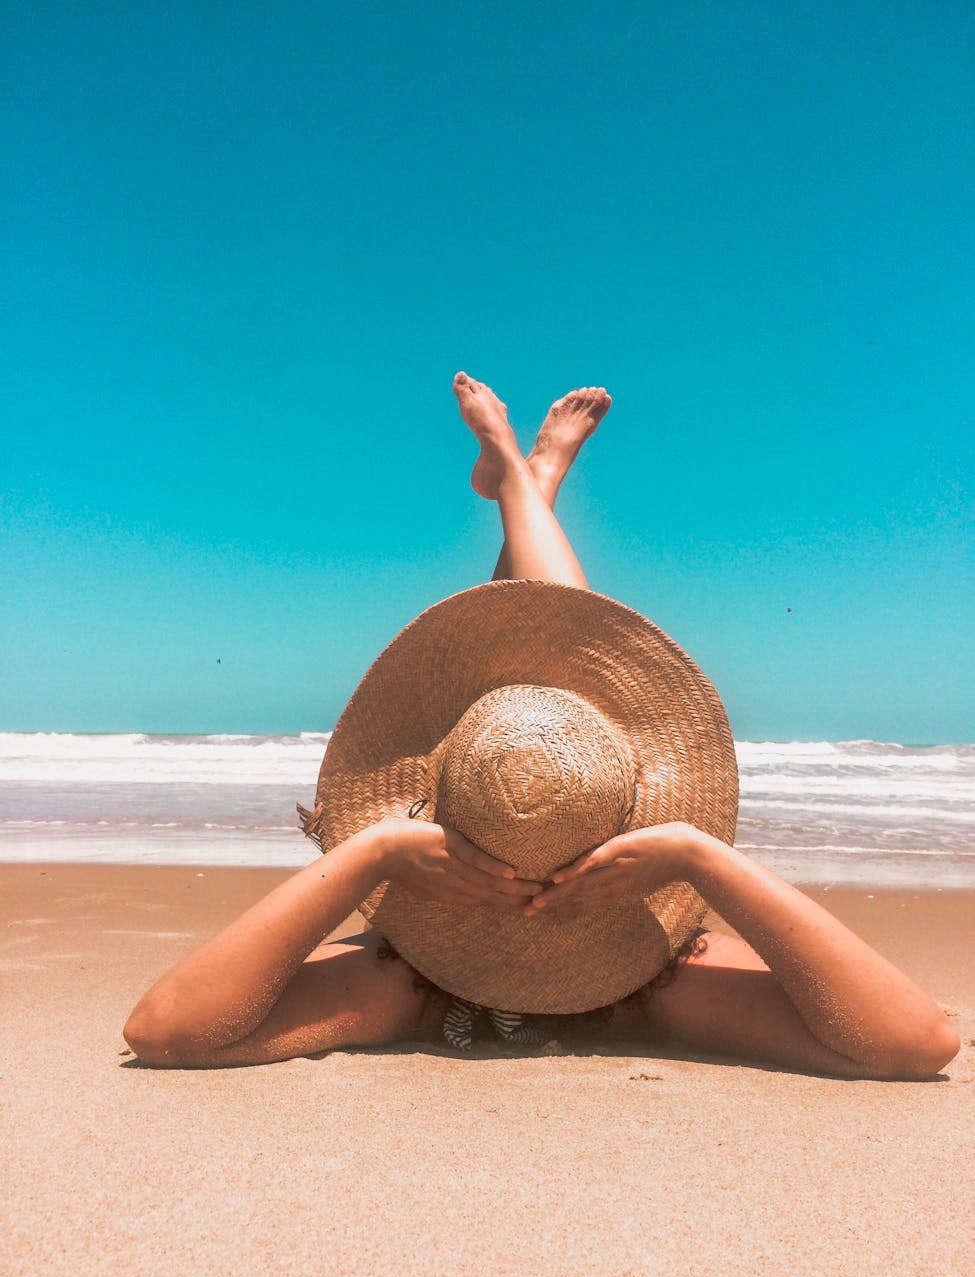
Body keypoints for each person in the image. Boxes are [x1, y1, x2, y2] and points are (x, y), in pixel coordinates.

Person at [123, 373, 960, 1078]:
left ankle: (528, 489)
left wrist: (370, 855)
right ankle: (528, 488)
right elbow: (162, 1032)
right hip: (579, 907)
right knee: (540, 701)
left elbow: (916, 1043)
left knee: (539, 693)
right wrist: (697, 857)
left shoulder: (402, 982)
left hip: (479, 913)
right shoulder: (651, 976)